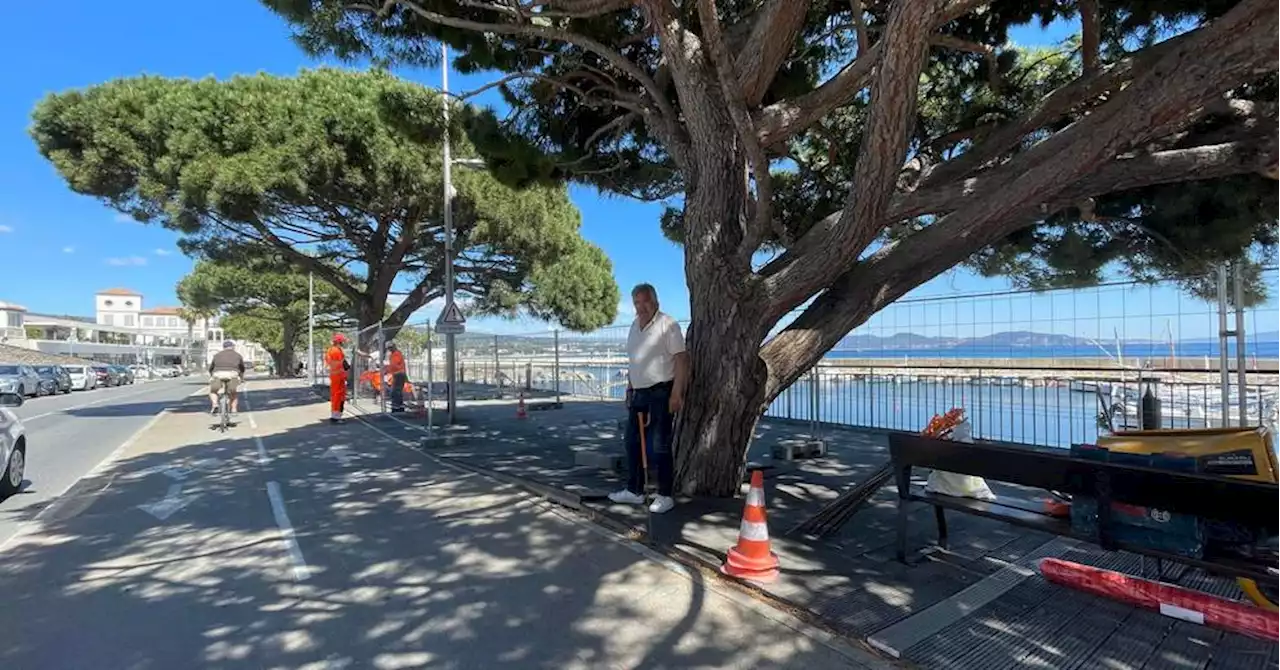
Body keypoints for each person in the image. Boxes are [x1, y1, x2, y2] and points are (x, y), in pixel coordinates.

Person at [609, 283, 688, 514]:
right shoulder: (634, 326)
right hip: (640, 392)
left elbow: (682, 360)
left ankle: (665, 494)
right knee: (631, 441)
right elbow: (636, 361)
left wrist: (677, 392)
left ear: (655, 301)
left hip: (662, 391)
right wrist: (630, 388)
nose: (641, 306)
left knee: (659, 445)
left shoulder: (668, 324)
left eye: (645, 301)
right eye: (636, 302)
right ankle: (634, 490)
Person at [208, 340, 246, 416]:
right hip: (233, 374)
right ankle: (234, 409)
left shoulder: (217, 355)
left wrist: (212, 376)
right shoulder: (237, 355)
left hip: (218, 374)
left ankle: (215, 404)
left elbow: (211, 368)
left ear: (223, 347)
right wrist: (241, 378)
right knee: (233, 392)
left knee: (213, 391)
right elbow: (242, 368)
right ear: (233, 347)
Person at [326, 333, 351, 423]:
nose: (344, 343)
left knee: (336, 396)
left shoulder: (331, 350)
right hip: (339, 376)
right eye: (343, 342)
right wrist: (346, 371)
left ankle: (335, 415)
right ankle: (336, 417)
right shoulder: (336, 351)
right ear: (339, 342)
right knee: (338, 396)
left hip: (335, 376)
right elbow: (341, 363)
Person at [386, 341, 408, 412]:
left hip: (399, 374)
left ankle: (397, 406)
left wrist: (387, 369)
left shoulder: (396, 354)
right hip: (397, 374)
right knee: (397, 391)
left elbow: (394, 365)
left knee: (396, 391)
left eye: (390, 348)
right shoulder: (394, 354)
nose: (390, 349)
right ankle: (399, 406)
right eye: (389, 348)